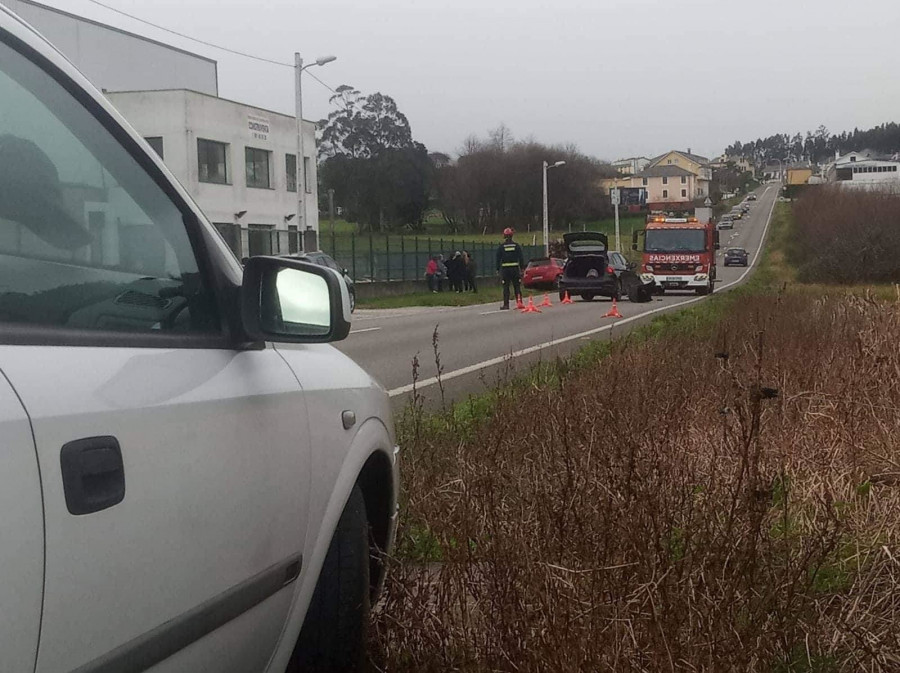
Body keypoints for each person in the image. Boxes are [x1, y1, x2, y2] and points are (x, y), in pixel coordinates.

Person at [496, 227, 525, 309]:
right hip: (515, 270)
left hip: (505, 271)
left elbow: (498, 259)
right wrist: (522, 268)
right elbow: (521, 258)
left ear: (504, 236)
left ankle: (506, 304)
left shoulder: (501, 247)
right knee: (517, 287)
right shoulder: (516, 246)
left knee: (506, 288)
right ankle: (519, 302)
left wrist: (497, 269)